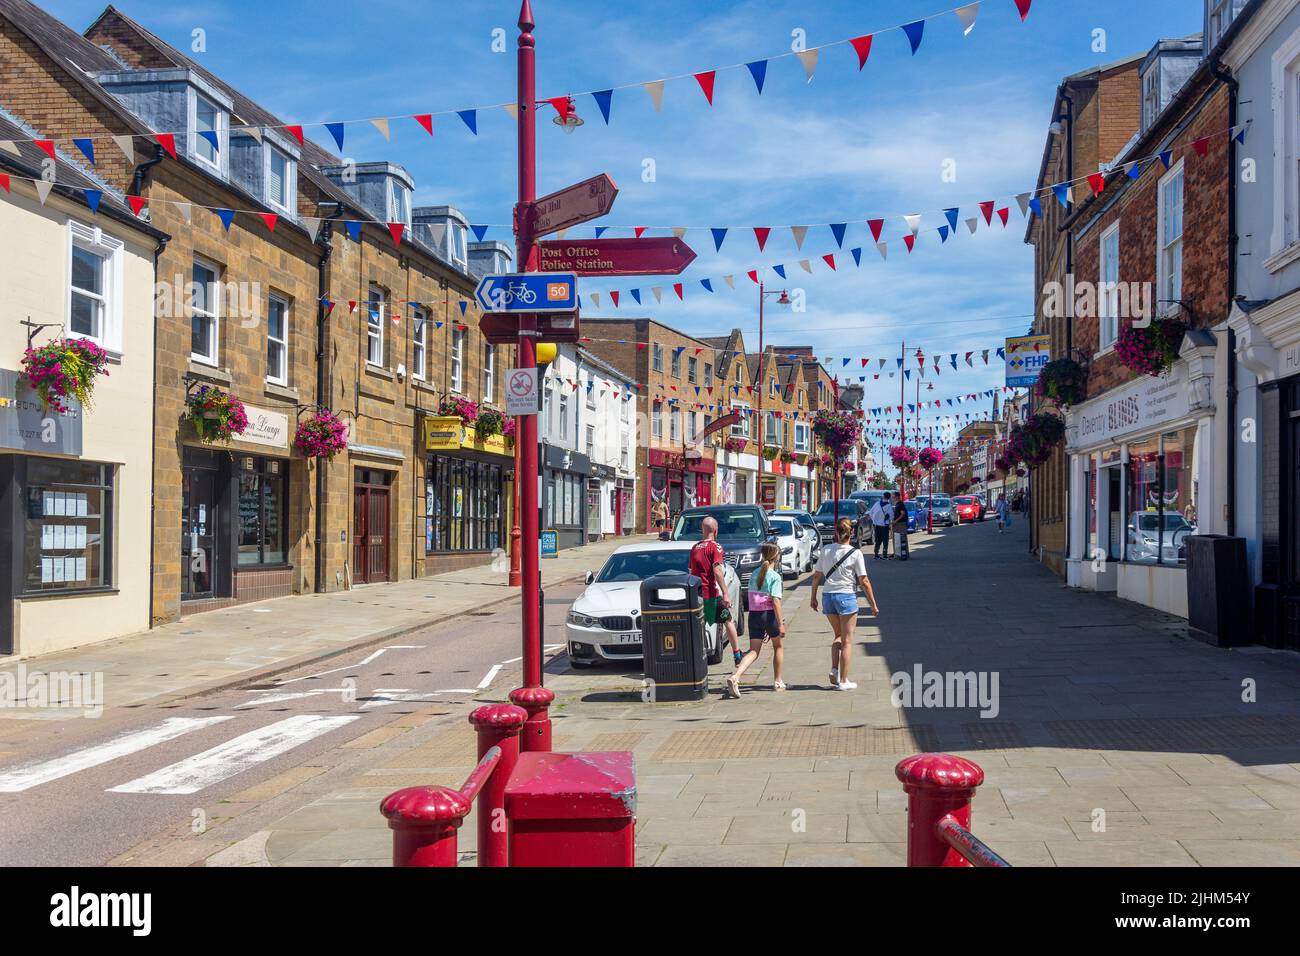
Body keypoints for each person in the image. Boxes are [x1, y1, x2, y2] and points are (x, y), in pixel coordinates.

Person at [809, 518, 879, 691]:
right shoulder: (855, 554)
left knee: (838, 636)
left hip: (828, 596)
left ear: (836, 533)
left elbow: (816, 576)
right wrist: (872, 604)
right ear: (852, 533)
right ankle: (844, 680)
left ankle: (834, 669)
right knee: (847, 641)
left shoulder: (826, 550)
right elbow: (864, 580)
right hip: (846, 596)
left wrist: (813, 597)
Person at [725, 542, 785, 698]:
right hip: (769, 615)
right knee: (778, 646)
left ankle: (736, 676)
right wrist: (781, 624)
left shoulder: (754, 574)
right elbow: (776, 601)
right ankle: (778, 681)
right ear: (776, 556)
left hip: (754, 616)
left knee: (753, 651)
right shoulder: (775, 576)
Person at [688, 515, 743, 665]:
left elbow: (690, 572)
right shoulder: (716, 547)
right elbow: (718, 571)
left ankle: (695, 657)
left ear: (702, 530)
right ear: (716, 530)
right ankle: (737, 655)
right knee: (728, 620)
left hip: (697, 596)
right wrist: (726, 593)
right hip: (712, 596)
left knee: (698, 627)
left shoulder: (694, 548)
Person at [869, 495, 891, 560]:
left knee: (877, 540)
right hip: (885, 526)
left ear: (883, 497)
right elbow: (891, 516)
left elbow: (870, 513)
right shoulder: (888, 505)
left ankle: (876, 555)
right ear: (888, 498)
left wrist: (874, 521)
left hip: (877, 526)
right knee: (885, 541)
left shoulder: (877, 503)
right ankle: (885, 555)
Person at [890, 492, 910, 559]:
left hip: (900, 524)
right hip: (898, 524)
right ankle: (897, 553)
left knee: (901, 539)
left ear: (897, 497)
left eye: (893, 497)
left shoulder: (900, 504)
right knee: (898, 539)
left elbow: (902, 514)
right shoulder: (898, 504)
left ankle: (901, 554)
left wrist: (895, 521)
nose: (892, 498)